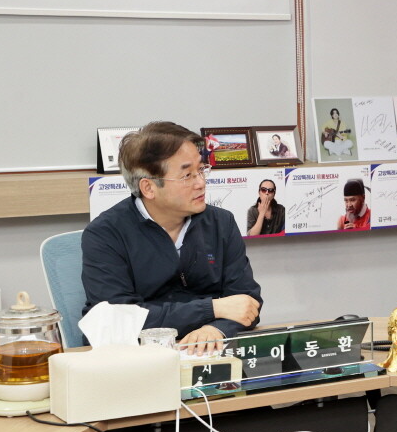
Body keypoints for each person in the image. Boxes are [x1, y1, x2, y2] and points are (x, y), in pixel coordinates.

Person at [82, 121, 262, 355]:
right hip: (134, 357)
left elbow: (247, 303)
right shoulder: (106, 234)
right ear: (148, 188)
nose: (201, 183)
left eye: (201, 170)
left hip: (208, 351)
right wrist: (211, 309)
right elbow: (119, 320)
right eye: (187, 175)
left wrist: (215, 329)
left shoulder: (221, 223)